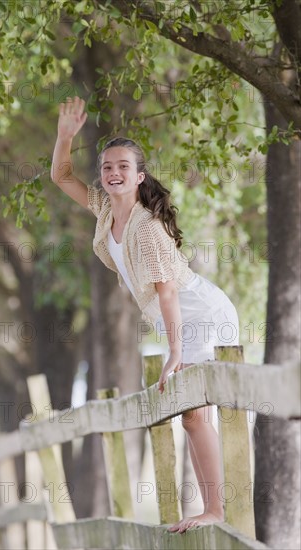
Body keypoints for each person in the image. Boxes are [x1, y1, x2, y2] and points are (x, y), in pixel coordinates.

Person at [50, 96, 239, 533]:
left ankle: (215, 510)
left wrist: (174, 351)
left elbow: (168, 291)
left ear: (138, 176)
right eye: (106, 167)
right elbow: (61, 175)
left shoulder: (148, 227)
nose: (113, 173)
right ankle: (211, 508)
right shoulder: (104, 213)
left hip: (200, 314)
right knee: (192, 415)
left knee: (192, 412)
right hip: (176, 319)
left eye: (122, 167)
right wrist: (64, 137)